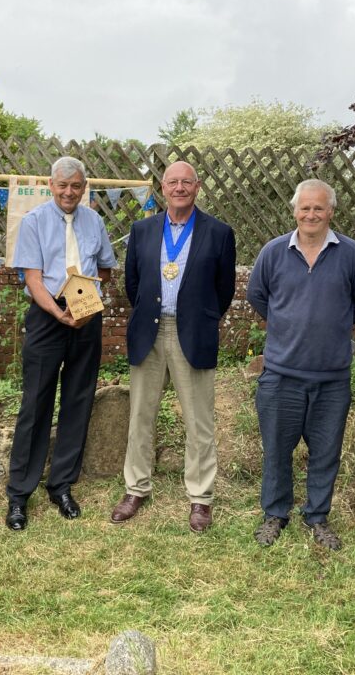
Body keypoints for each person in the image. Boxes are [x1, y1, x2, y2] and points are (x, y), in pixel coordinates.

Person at [246, 179, 355, 550]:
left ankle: (317, 517)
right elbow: (258, 296)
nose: (311, 214)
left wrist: (333, 321)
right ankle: (275, 514)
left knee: (325, 452)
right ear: (294, 211)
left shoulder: (351, 254)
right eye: (304, 208)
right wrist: (291, 322)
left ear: (331, 211)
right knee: (276, 448)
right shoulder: (273, 252)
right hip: (280, 375)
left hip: (331, 378)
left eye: (318, 208)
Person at [110, 161, 237, 532]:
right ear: (162, 188)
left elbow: (224, 290)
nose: (179, 187)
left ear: (197, 187)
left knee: (199, 420)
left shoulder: (219, 233)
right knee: (140, 416)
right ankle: (136, 488)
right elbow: (132, 283)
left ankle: (201, 498)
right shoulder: (142, 230)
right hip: (149, 330)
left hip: (192, 333)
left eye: (186, 182)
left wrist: (200, 316)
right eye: (172, 182)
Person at [5, 156, 117, 530]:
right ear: (51, 186)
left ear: (84, 188)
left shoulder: (95, 221)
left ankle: (61, 485)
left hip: (86, 311)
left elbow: (105, 267)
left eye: (76, 186)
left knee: (78, 400)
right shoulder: (34, 222)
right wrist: (58, 312)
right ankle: (19, 493)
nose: (69, 192)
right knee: (35, 403)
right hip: (47, 314)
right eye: (63, 185)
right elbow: (33, 278)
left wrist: (90, 301)